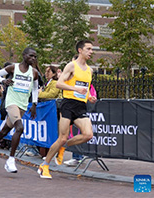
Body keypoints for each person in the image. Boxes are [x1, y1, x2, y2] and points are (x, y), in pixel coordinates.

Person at [37, 40, 97, 179]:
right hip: (68, 104)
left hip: (81, 106)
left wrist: (89, 97)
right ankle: (45, 165)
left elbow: (85, 88)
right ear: (80, 50)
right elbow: (59, 84)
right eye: (88, 49)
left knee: (88, 135)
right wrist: (75, 89)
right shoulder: (72, 66)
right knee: (62, 138)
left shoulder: (90, 70)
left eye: (92, 49)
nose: (91, 52)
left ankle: (63, 147)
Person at [0, 47, 39, 173]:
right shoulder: (13, 67)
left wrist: (34, 104)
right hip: (11, 102)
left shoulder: (34, 72)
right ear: (24, 55)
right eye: (31, 56)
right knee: (20, 128)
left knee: (5, 131)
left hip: (23, 104)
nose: (33, 59)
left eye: (35, 57)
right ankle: (11, 160)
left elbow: (35, 89)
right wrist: (4, 80)